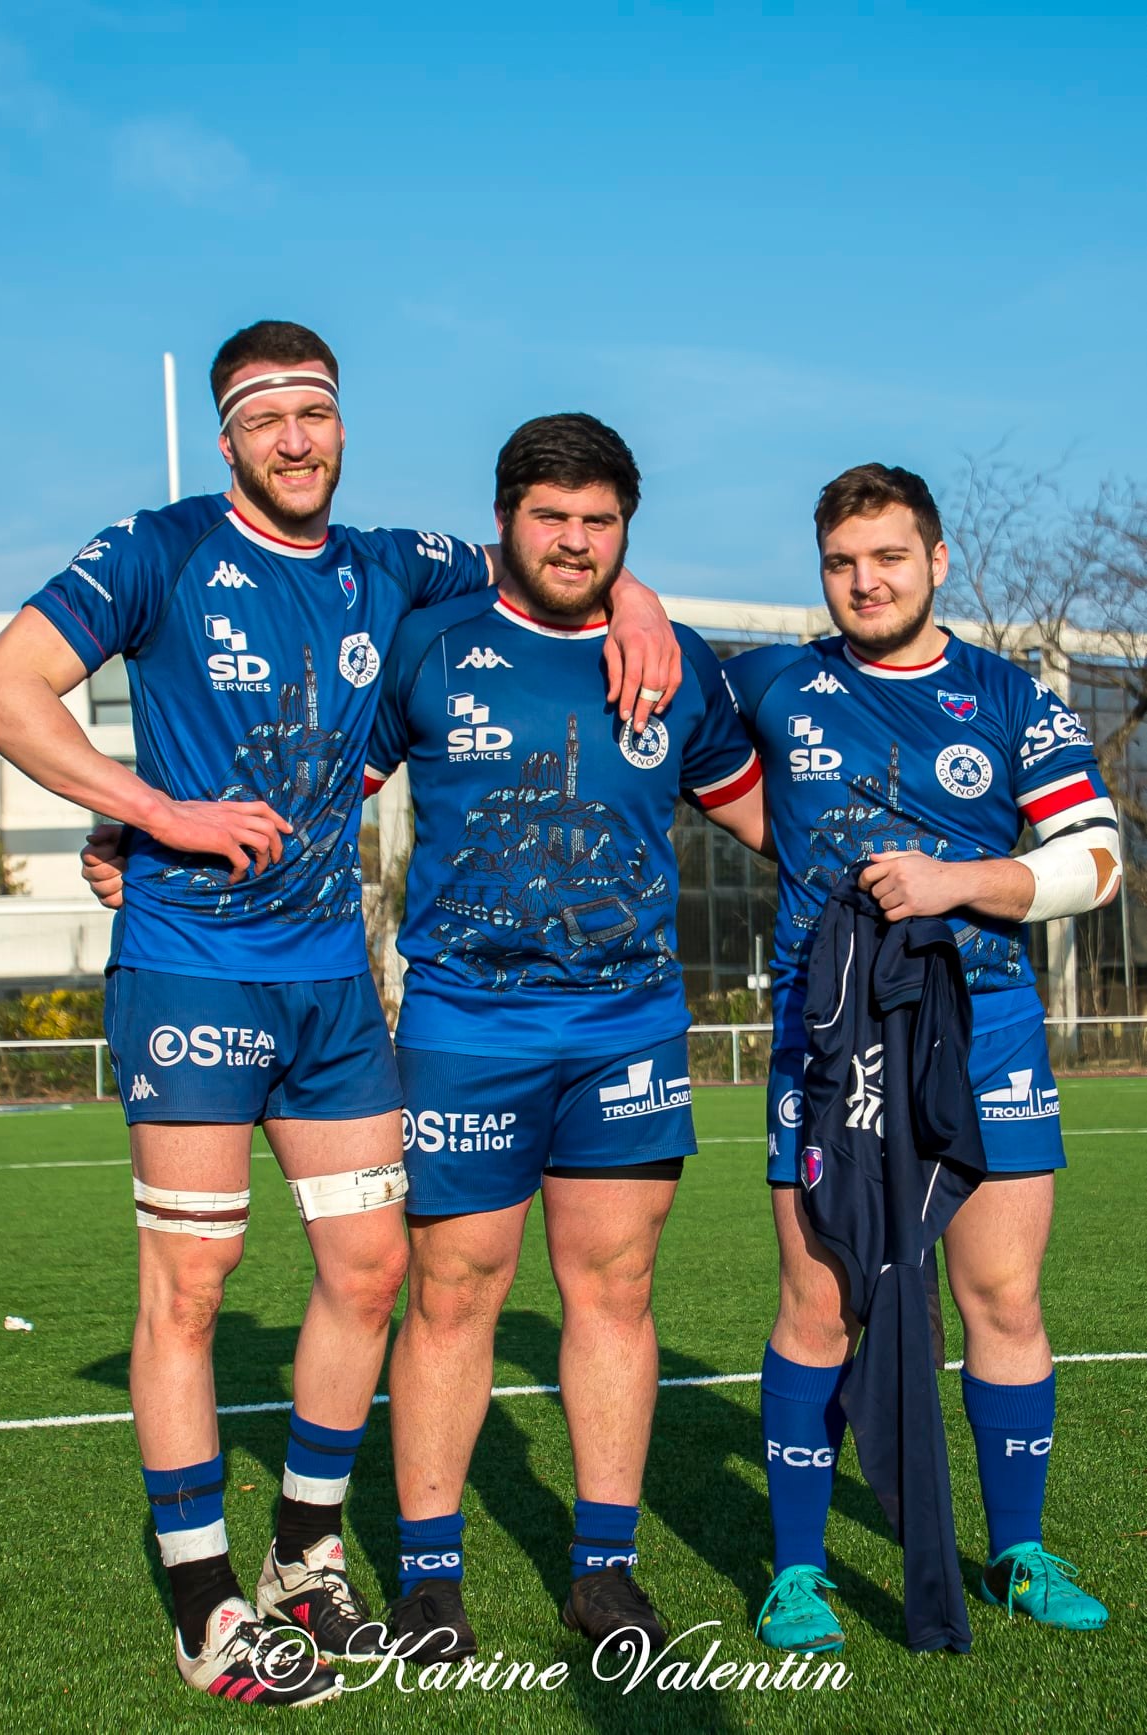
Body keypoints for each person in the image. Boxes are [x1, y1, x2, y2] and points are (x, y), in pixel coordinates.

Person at [0, 323, 677, 1704]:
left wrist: (632, 599)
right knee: (195, 1281)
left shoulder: (391, 564)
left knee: (368, 1271)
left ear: (344, 427)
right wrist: (147, 810)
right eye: (266, 415)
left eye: (317, 412)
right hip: (192, 967)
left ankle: (303, 1554)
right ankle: (203, 1600)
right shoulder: (157, 548)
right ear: (228, 438)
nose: (296, 436)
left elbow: (555, 553)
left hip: (336, 980)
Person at [362, 413, 766, 1661]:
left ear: (626, 529)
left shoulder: (676, 661)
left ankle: (604, 1570)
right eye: (552, 517)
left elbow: (768, 820)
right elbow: (322, 790)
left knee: (613, 1290)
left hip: (626, 1024)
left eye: (600, 523)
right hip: (465, 1023)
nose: (575, 541)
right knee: (450, 1292)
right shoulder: (427, 642)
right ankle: (430, 1577)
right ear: (503, 517)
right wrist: (149, 840)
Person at [724, 463, 1121, 1653]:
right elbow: (675, 735)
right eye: (841, 562)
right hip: (829, 1038)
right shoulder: (774, 681)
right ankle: (796, 1572)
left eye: (887, 557)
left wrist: (959, 883)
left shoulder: (1005, 698)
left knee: (1000, 1295)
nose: (864, 581)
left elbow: (1096, 858)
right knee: (820, 1301)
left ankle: (1016, 1553)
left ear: (935, 561)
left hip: (983, 1025)